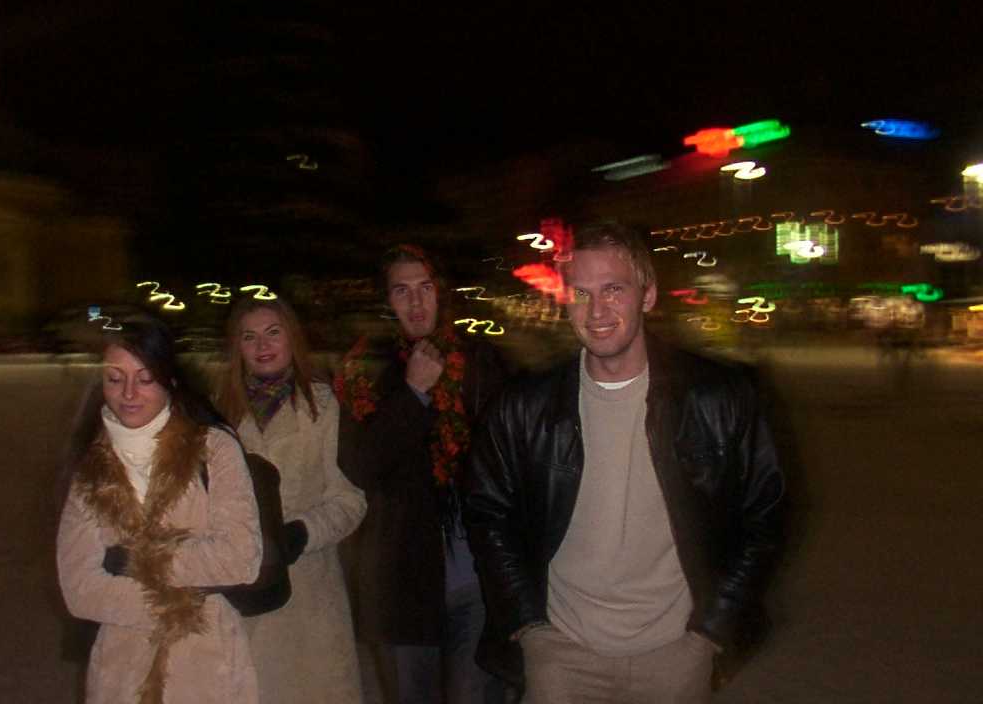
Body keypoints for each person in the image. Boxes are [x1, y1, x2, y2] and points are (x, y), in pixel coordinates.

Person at [464, 222, 786, 703]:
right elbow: (488, 516)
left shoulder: (717, 398)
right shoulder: (525, 406)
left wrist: (710, 633)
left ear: (648, 295)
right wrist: (529, 628)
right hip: (561, 658)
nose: (596, 311)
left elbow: (767, 517)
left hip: (675, 656)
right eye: (582, 293)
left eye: (613, 289)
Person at [57, 316, 262, 704]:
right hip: (121, 670)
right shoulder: (91, 468)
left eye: (145, 378)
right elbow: (79, 588)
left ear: (169, 380)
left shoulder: (214, 449)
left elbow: (240, 558)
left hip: (207, 667)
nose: (128, 393)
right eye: (115, 379)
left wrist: (138, 561)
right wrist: (172, 604)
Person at [336, 244, 508, 704]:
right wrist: (413, 392)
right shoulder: (365, 371)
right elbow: (360, 466)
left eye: (425, 288)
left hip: (475, 578)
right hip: (402, 583)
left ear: (440, 293)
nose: (416, 302)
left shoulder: (479, 362)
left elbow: (506, 462)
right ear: (387, 302)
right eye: (402, 291)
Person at [216, 294, 368, 704]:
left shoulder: (324, 407)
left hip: (310, 601)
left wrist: (302, 533)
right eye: (249, 337)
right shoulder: (220, 414)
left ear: (292, 338)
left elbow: (350, 499)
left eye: (273, 332)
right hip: (242, 599)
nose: (262, 345)